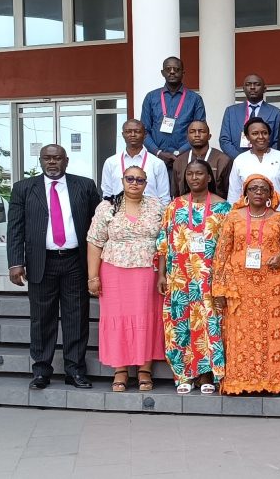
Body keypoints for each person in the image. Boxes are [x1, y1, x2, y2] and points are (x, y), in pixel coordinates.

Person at [6, 145, 103, 390]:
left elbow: (99, 225)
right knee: (41, 319)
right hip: (42, 262)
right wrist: (16, 263)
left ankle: (75, 370)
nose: (52, 162)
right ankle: (41, 371)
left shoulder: (85, 186)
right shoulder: (23, 189)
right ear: (40, 161)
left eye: (57, 158)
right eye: (47, 158)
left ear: (66, 161)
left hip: (74, 261)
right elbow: (15, 229)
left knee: (76, 317)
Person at [212, 174, 280, 395]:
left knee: (273, 332)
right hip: (240, 287)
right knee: (242, 334)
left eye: (263, 189)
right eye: (253, 188)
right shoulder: (233, 218)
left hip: (272, 286)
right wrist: (219, 288)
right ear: (245, 193)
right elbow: (222, 254)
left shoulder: (279, 219)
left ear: (271, 194)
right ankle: (242, 381)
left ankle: (275, 380)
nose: (258, 192)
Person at [87, 166, 166, 392]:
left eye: (140, 180)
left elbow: (164, 243)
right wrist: (92, 277)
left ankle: (144, 369)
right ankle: (120, 370)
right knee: (117, 318)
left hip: (147, 273)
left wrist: (162, 273)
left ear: (146, 182)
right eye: (130, 178)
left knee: (146, 319)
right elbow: (94, 241)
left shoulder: (156, 207)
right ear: (122, 180)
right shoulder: (108, 207)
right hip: (114, 271)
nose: (134, 183)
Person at [156, 159, 231, 394]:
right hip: (179, 277)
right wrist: (161, 275)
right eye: (190, 174)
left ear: (209, 177)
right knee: (179, 324)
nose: (194, 178)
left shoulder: (224, 208)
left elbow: (229, 248)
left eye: (200, 174)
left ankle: (207, 374)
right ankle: (184, 375)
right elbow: (163, 243)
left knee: (209, 324)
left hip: (209, 278)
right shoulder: (174, 207)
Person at [140, 56, 206, 166]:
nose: (172, 72)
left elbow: (200, 131)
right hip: (156, 159)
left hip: (185, 159)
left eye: (176, 69)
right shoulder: (151, 97)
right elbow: (144, 131)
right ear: (162, 72)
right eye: (168, 69)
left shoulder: (195, 99)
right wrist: (158, 152)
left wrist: (179, 153)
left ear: (183, 73)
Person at [227, 118, 280, 215]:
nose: (261, 136)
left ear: (269, 136)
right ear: (247, 137)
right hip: (248, 219)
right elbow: (234, 194)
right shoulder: (240, 160)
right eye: (255, 133)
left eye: (264, 133)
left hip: (279, 215)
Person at [100, 119, 171, 204]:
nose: (133, 135)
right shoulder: (111, 162)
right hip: (118, 214)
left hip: (150, 215)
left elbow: (164, 198)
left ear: (145, 135)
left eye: (137, 131)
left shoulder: (157, 163)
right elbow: (107, 195)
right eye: (128, 131)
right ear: (123, 135)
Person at [219, 74, 280, 159]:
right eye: (248, 84)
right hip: (238, 162)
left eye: (257, 84)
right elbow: (224, 140)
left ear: (264, 89)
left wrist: (264, 158)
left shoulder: (277, 113)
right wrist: (241, 159)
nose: (252, 87)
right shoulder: (231, 111)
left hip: (265, 162)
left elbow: (277, 141)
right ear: (243, 89)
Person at [170, 120, 232, 198]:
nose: (197, 135)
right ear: (187, 136)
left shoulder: (223, 160)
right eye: (192, 132)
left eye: (201, 131)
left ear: (209, 136)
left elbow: (230, 193)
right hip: (184, 208)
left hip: (215, 207)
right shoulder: (179, 161)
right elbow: (176, 193)